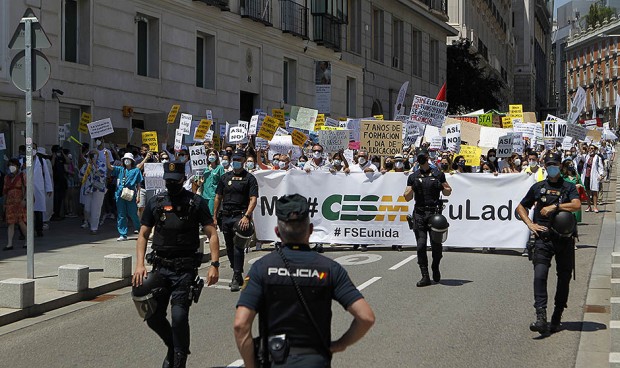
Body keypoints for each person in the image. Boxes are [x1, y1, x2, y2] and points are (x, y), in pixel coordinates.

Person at [233, 194, 375, 368]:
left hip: (274, 359)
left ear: (277, 232)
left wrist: (250, 365)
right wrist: (340, 344)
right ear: (310, 230)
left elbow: (241, 325)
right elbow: (366, 317)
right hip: (316, 360)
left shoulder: (261, 268)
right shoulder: (330, 268)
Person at [132, 160, 220, 368]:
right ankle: (173, 345)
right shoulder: (156, 202)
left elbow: (211, 233)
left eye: (175, 181)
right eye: (168, 181)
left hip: (184, 269)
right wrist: (139, 265)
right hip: (161, 267)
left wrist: (214, 264)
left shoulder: (195, 202)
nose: (171, 184)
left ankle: (179, 360)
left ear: (183, 179)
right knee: (152, 315)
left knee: (179, 317)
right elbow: (143, 234)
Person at [516, 152, 581, 335]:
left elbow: (576, 205)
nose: (552, 167)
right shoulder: (538, 187)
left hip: (564, 239)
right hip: (543, 239)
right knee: (539, 276)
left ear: (560, 166)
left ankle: (557, 315)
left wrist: (556, 206)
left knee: (564, 277)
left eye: (555, 164)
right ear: (545, 166)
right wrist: (530, 223)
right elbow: (521, 207)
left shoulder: (568, 187)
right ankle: (541, 316)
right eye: (549, 164)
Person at [403, 149, 452, 287]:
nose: (421, 159)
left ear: (427, 157)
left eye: (422, 157)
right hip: (419, 213)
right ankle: (425, 276)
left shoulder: (438, 174)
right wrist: (412, 187)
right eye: (418, 157)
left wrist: (442, 185)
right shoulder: (413, 176)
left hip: (434, 214)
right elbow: (407, 197)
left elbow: (448, 192)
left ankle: (435, 266)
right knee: (421, 245)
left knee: (436, 246)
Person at [213, 149, 259, 291]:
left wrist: (247, 215)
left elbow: (253, 199)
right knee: (229, 247)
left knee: (238, 246)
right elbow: (218, 197)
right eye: (235, 160)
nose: (236, 163)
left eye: (239, 160)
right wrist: (214, 216)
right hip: (226, 216)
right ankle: (236, 270)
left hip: (240, 216)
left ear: (244, 162)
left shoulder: (250, 178)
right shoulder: (225, 177)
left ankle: (236, 275)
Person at [106, 152, 143, 241]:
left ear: (132, 161)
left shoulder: (136, 170)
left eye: (128, 159)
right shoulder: (120, 169)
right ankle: (123, 234)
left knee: (133, 213)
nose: (127, 161)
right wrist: (107, 157)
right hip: (120, 194)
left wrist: (138, 196)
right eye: (125, 159)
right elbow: (110, 167)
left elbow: (138, 184)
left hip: (130, 193)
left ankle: (139, 230)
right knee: (121, 214)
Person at [79, 150, 107, 235]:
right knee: (87, 209)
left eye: (94, 155)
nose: (92, 157)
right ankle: (90, 222)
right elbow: (80, 175)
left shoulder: (102, 164)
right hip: (88, 189)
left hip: (98, 189)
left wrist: (95, 164)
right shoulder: (86, 165)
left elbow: (101, 173)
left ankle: (94, 227)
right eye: (91, 156)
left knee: (96, 208)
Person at [3, 159, 27, 250]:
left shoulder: (22, 176)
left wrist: (24, 199)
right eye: (10, 165)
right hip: (10, 203)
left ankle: (27, 241)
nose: (11, 167)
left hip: (19, 202)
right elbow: (5, 191)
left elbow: (27, 188)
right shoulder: (6, 178)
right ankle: (9, 243)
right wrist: (4, 204)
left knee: (21, 222)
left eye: (13, 165)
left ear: (18, 166)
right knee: (10, 223)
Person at [33, 145, 53, 237]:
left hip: (38, 189)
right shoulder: (24, 160)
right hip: (26, 189)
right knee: (26, 211)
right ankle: (24, 231)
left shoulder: (42, 161)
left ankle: (39, 229)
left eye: (33, 148)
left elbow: (47, 176)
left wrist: (49, 188)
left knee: (38, 211)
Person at [199, 149, 225, 215]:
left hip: (213, 195)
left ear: (216, 156)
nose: (211, 156)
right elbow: (198, 183)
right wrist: (201, 182)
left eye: (213, 154)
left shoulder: (220, 168)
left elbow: (223, 181)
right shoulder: (204, 168)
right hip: (204, 195)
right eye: (210, 155)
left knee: (211, 214)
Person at [581, 144, 605, 213]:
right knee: (587, 192)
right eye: (590, 148)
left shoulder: (597, 157)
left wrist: (601, 175)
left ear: (595, 149)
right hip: (586, 176)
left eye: (592, 148)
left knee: (594, 192)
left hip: (594, 176)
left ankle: (595, 206)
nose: (591, 150)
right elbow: (580, 155)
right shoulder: (586, 156)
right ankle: (589, 206)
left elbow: (601, 167)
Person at [50, 145, 68, 221]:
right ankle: (54, 214)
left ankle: (59, 213)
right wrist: (54, 156)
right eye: (57, 151)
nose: (59, 153)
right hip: (55, 180)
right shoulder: (52, 157)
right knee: (56, 198)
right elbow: (51, 165)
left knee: (60, 198)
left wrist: (63, 153)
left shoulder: (61, 158)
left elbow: (68, 161)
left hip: (62, 181)